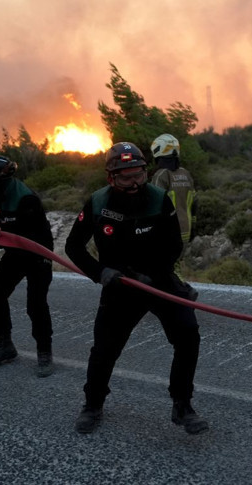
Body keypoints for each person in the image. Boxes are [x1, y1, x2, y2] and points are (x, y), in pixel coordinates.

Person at [65, 142, 208, 435]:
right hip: (118, 287)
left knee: (187, 334)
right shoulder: (97, 203)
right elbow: (73, 247)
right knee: (104, 349)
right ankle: (93, 404)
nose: (134, 183)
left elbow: (174, 245)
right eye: (126, 177)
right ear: (111, 178)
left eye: (139, 175)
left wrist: (153, 275)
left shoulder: (159, 199)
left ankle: (182, 404)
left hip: (158, 281)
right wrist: (101, 272)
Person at [0, 155, 55, 378]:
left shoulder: (26, 198)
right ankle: (4, 346)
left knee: (35, 304)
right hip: (15, 253)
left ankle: (44, 352)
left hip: (38, 254)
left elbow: (24, 234)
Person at [150, 133, 199, 301]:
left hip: (168, 231)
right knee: (175, 264)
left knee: (164, 266)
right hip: (185, 229)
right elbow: (195, 202)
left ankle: (183, 293)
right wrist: (193, 226)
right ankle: (173, 295)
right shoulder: (186, 174)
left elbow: (153, 205)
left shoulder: (161, 175)